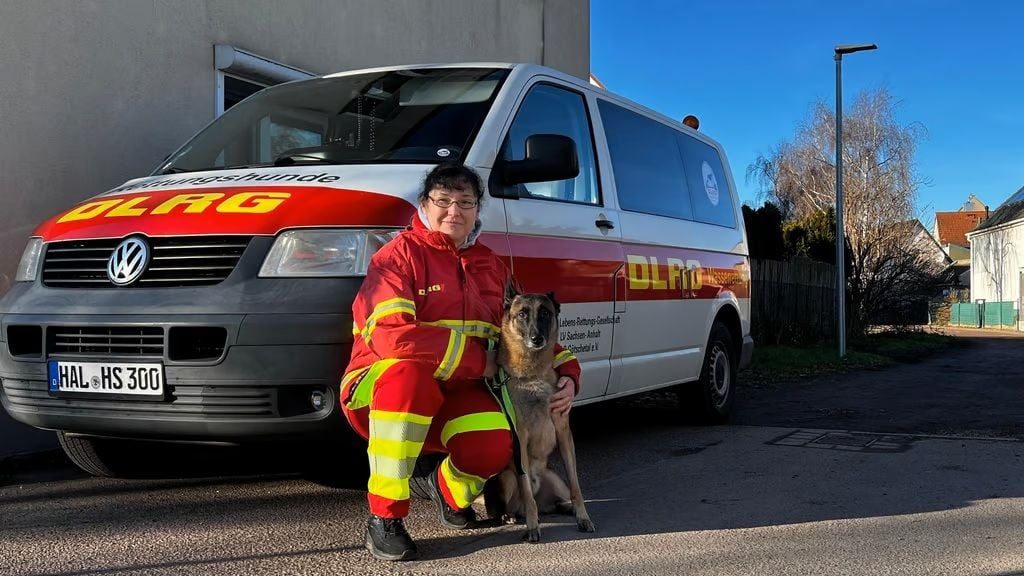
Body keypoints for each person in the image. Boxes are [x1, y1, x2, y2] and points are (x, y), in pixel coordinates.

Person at [340, 162, 582, 561]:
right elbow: (393, 338)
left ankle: (448, 492)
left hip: (458, 393)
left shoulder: (491, 265)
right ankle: (385, 518)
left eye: (465, 202)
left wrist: (569, 375)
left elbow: (525, 334)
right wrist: (478, 361)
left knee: (494, 444)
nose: (454, 211)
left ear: (477, 210)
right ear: (424, 205)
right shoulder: (397, 257)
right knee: (407, 376)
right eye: (443, 201)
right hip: (385, 394)